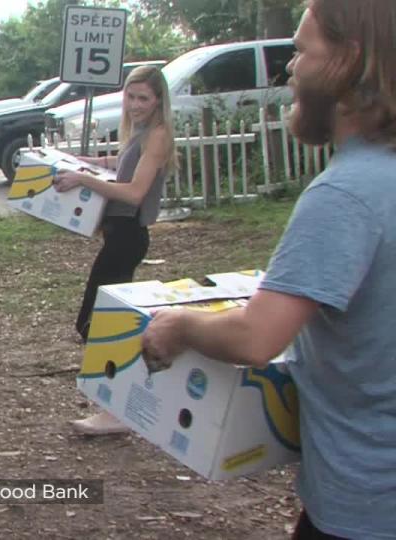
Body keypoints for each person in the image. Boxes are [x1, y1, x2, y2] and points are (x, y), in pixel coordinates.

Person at [141, 1, 396, 538]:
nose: (289, 69)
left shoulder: (344, 195)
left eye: (302, 51)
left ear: (347, 62)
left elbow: (257, 338)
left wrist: (177, 326)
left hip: (365, 508)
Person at [53, 65, 177, 435]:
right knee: (99, 321)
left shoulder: (158, 135)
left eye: (144, 98)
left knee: (100, 324)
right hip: (117, 235)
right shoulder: (141, 132)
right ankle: (118, 405)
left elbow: (134, 192)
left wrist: (83, 179)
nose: (135, 104)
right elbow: (123, 168)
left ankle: (118, 411)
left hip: (128, 237)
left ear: (158, 100)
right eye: (131, 96)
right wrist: (91, 163)